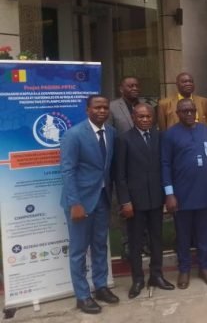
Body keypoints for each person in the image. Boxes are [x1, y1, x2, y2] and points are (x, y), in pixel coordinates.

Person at [60, 95, 119, 314]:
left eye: (105, 107)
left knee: (100, 245)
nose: (102, 110)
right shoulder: (74, 135)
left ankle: (101, 286)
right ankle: (83, 296)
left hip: (102, 198)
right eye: (97, 107)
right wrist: (75, 203)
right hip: (80, 202)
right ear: (87, 110)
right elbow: (67, 170)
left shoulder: (111, 133)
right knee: (78, 250)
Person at [115, 103, 174, 298]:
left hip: (156, 198)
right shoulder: (124, 139)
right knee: (135, 242)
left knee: (157, 239)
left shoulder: (159, 136)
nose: (145, 119)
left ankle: (156, 275)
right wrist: (125, 202)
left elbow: (165, 166)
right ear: (133, 118)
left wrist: (167, 195)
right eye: (141, 116)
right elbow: (120, 175)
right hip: (135, 202)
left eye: (148, 116)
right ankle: (138, 279)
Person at [161, 98, 207, 289]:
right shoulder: (170, 134)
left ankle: (204, 267)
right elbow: (165, 165)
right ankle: (184, 269)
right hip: (182, 194)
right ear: (178, 114)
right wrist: (169, 194)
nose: (190, 114)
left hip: (206, 192)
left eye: (192, 110)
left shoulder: (206, 130)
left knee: (204, 234)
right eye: (185, 111)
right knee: (183, 236)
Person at [108, 75, 145, 260]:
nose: (134, 88)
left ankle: (143, 241)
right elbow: (109, 135)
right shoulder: (112, 107)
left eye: (136, 85)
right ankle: (127, 243)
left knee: (143, 204)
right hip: (123, 163)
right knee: (125, 204)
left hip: (143, 164)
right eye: (130, 85)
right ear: (121, 88)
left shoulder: (145, 105)